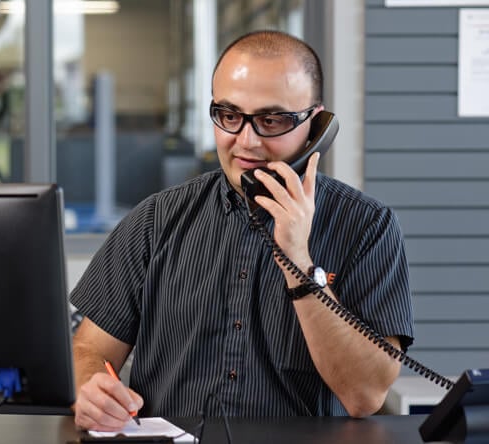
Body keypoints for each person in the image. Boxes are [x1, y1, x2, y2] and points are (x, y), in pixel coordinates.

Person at [70, 30, 414, 431]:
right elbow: (89, 348)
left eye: (271, 120)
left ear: (316, 125)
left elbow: (365, 395)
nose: (246, 142)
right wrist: (91, 387)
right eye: (229, 116)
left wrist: (298, 263)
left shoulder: (367, 227)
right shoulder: (155, 221)